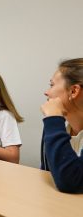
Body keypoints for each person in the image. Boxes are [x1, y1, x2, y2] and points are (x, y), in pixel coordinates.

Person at [40, 58, 83, 193]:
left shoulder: (55, 122)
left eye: (52, 85)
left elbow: (71, 182)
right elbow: (48, 172)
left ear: (74, 91)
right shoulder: (60, 126)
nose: (46, 92)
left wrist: (53, 119)